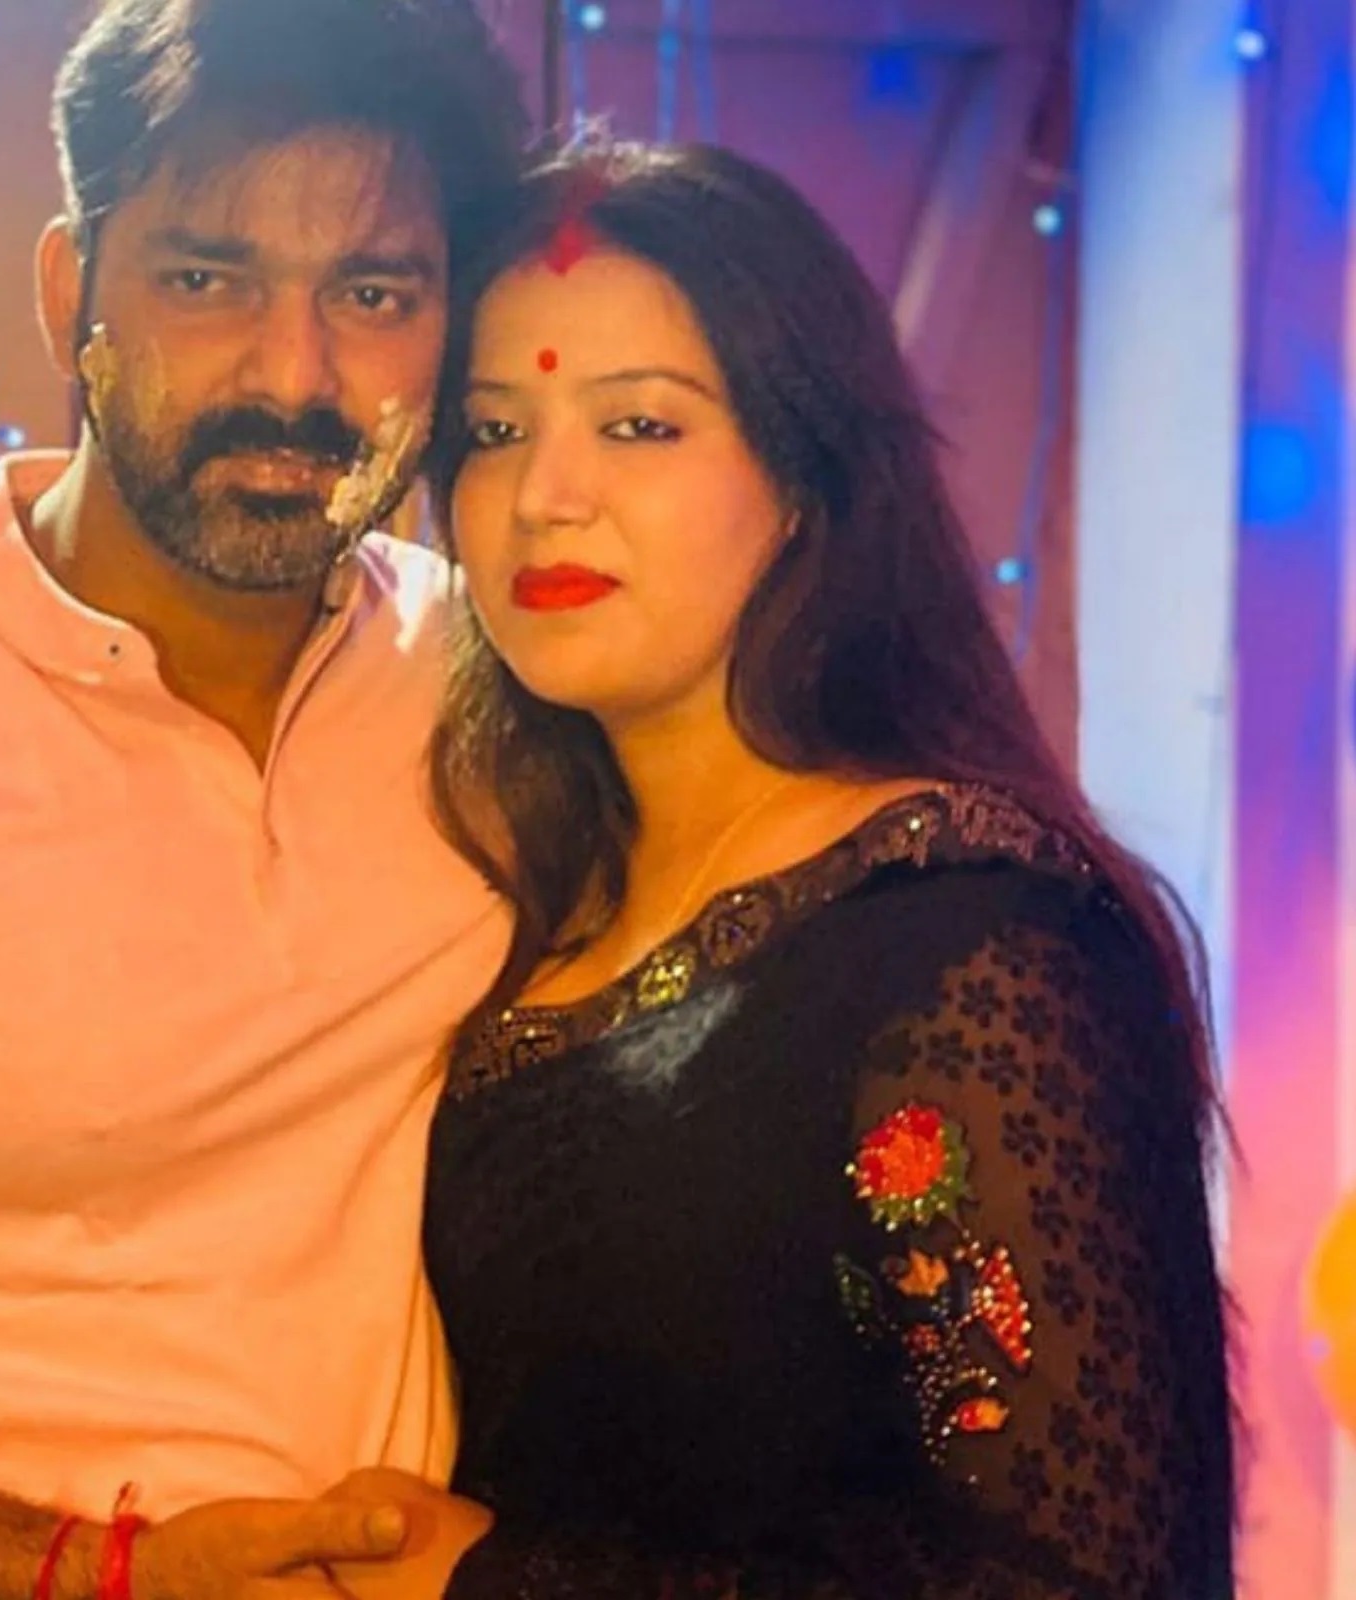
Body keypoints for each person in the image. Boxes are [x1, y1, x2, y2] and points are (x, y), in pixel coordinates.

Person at [313, 143, 1237, 1599]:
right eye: (492, 432)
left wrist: (499, 1587)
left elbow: (1078, 1576)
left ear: (803, 478)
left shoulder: (965, 941)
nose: (545, 495)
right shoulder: (505, 910)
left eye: (640, 425)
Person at [0, 1, 527, 1596]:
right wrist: (88, 1572)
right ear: (70, 297)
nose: (293, 374)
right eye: (205, 279)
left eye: (372, 294)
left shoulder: (495, 682)